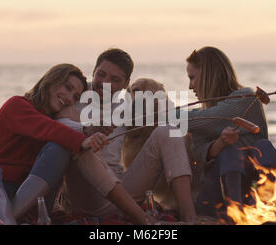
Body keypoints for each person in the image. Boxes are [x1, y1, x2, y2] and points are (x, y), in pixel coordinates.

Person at [58, 48, 197, 223]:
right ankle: (145, 220)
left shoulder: (127, 108)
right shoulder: (74, 96)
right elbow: (59, 124)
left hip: (124, 194)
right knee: (85, 146)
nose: (105, 83)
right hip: (86, 198)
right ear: (93, 71)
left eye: (115, 80)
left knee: (169, 130)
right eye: (101, 75)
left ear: (126, 84)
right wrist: (87, 129)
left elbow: (168, 115)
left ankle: (190, 217)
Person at [0, 64, 109, 225]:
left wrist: (93, 131)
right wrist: (83, 138)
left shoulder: (58, 125)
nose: (68, 98)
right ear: (51, 80)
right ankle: (7, 220)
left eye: (75, 96)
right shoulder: (17, 105)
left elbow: (57, 131)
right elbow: (44, 128)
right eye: (67, 88)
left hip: (29, 202)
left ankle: (6, 220)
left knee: (60, 149)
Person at [185, 47, 276, 219]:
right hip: (217, 198)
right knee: (229, 151)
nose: (190, 86)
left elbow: (215, 117)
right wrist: (220, 143)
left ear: (208, 75)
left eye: (193, 77)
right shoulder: (202, 118)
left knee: (264, 146)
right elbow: (199, 156)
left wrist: (164, 115)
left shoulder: (245, 99)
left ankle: (269, 203)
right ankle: (235, 214)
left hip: (250, 188)